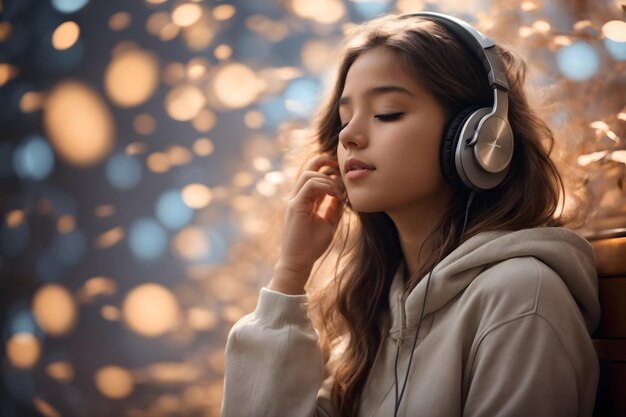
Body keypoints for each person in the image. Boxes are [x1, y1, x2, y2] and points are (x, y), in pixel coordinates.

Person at [221, 11, 600, 417]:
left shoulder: (522, 297)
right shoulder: (382, 306)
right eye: (345, 118)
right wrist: (291, 272)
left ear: (480, 137)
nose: (348, 135)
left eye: (387, 113)